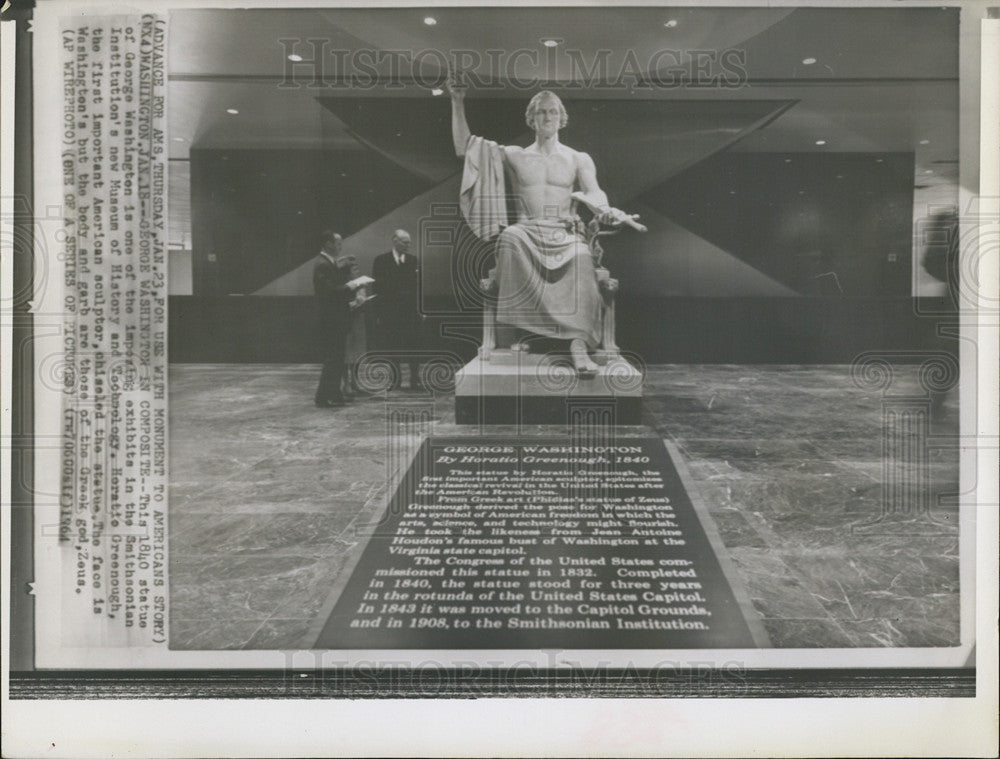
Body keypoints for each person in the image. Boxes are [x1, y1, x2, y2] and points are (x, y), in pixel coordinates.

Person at [448, 79, 637, 376]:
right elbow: (464, 148)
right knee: (509, 237)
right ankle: (524, 333)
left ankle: (578, 343)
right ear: (530, 119)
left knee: (581, 256)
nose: (547, 118)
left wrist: (609, 211)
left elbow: (594, 193)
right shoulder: (514, 155)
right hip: (527, 231)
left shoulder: (578, 158)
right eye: (541, 113)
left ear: (562, 118)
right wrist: (457, 101)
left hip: (565, 232)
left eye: (552, 112)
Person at [313, 231, 366, 407]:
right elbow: (329, 292)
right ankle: (322, 397)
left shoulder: (330, 263)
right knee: (332, 359)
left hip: (336, 318)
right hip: (331, 319)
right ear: (328, 244)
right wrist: (352, 285)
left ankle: (334, 393)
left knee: (337, 358)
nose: (340, 246)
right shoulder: (322, 264)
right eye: (338, 243)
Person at [371, 229, 425, 390]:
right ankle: (395, 379)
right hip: (390, 312)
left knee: (413, 345)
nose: (408, 245)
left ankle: (415, 379)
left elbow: (418, 288)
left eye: (409, 242)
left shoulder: (413, 260)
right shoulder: (381, 261)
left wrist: (420, 310)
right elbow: (377, 288)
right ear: (395, 241)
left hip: (409, 312)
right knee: (392, 345)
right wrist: (379, 313)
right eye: (405, 242)